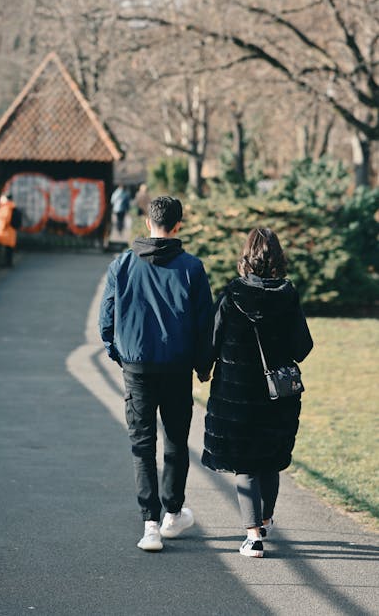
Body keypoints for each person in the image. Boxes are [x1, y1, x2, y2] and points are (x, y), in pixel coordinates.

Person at [99, 196, 214, 551]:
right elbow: (204, 324)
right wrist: (203, 365)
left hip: (137, 366)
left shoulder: (122, 264)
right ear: (178, 225)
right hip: (177, 367)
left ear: (148, 222)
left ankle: (149, 523)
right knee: (177, 441)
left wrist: (118, 353)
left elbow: (107, 318)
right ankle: (172, 513)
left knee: (142, 443)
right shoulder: (192, 268)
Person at [201, 227, 313, 558]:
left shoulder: (231, 295)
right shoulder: (288, 295)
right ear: (277, 259)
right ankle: (265, 519)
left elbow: (212, 339)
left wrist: (203, 368)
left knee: (245, 465)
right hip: (277, 396)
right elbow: (303, 346)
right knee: (269, 460)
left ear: (246, 257)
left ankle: (253, 536)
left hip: (237, 395)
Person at [0, 192, 22, 267]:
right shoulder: (12, 206)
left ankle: (8, 264)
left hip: (7, 231)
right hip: (11, 231)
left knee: (7, 249)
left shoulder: (6, 207)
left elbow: (5, 219)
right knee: (9, 248)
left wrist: (0, 228)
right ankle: (9, 263)